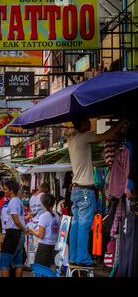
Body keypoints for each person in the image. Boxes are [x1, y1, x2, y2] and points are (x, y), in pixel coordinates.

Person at [67, 114, 123, 266]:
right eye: (86, 121)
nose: (89, 124)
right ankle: (82, 258)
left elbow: (72, 133)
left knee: (77, 224)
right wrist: (121, 122)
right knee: (84, 225)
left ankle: (74, 256)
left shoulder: (71, 139)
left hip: (76, 190)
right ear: (81, 125)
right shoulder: (84, 137)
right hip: (85, 191)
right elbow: (108, 135)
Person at [0, 180, 28, 277]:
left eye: (6, 189)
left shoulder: (14, 201)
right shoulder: (17, 200)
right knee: (18, 262)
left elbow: (16, 220)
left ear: (11, 191)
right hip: (17, 234)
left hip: (14, 234)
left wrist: (24, 230)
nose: (4, 191)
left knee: (4, 263)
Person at [28, 194, 60, 268]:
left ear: (43, 204)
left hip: (44, 248)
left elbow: (41, 235)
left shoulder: (43, 216)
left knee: (40, 269)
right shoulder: (57, 216)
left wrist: (32, 229)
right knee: (52, 269)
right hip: (54, 246)